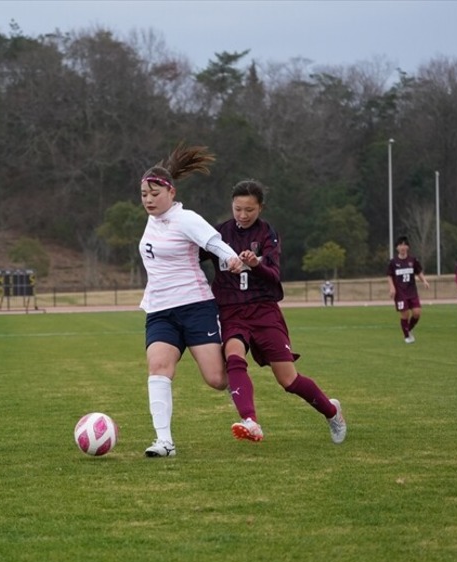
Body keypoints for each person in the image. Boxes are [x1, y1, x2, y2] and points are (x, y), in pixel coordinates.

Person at [203, 179, 346, 445]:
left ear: (261, 208)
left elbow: (273, 275)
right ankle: (250, 421)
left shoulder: (267, 234)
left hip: (264, 311)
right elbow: (191, 252)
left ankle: (332, 411)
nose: (242, 215)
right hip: (231, 310)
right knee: (234, 356)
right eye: (237, 209)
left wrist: (256, 264)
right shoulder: (219, 233)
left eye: (249, 210)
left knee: (288, 380)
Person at [137, 143, 244, 458]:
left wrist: (231, 258)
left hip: (196, 307)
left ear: (171, 193)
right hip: (160, 311)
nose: (148, 200)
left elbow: (213, 242)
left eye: (154, 194)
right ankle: (164, 442)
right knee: (158, 367)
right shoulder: (153, 220)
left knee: (217, 379)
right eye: (143, 195)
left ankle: (244, 395)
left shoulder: (186, 218)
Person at [386, 235, 429, 344]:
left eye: (405, 245)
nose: (403, 247)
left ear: (408, 247)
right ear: (397, 247)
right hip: (400, 293)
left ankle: (408, 329)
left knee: (417, 313)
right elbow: (389, 276)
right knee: (405, 314)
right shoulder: (393, 262)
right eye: (400, 245)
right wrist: (392, 287)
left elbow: (418, 272)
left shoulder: (412, 260)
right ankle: (407, 337)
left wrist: (424, 281)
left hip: (412, 292)